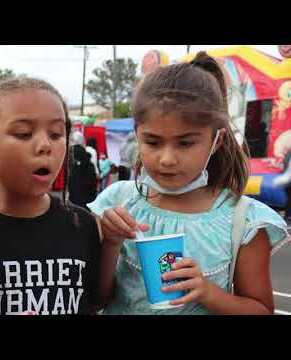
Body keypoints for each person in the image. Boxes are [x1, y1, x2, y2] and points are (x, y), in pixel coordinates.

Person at [88, 52, 290, 315]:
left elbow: (261, 309)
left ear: (216, 141)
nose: (167, 159)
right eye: (152, 142)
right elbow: (96, 300)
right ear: (136, 136)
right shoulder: (117, 203)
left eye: (185, 143)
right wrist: (111, 243)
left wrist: (208, 291)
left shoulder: (243, 221)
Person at [0, 77, 103, 315]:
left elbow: (96, 301)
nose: (45, 145)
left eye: (56, 134)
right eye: (24, 134)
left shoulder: (82, 223)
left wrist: (114, 243)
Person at [68, 142, 98, 209]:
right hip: (86, 201)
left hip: (80, 201)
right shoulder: (89, 166)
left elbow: (72, 185)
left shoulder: (78, 167)